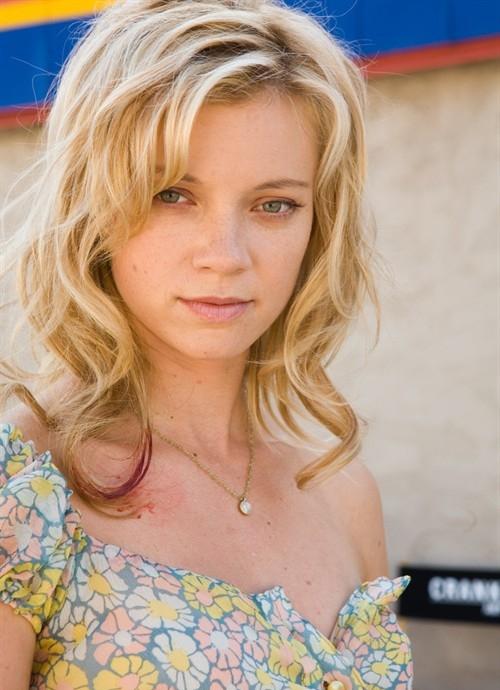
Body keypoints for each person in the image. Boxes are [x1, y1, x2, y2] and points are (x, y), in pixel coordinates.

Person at [0, 0, 413, 687]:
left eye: (274, 205)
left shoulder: (343, 493)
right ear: (94, 203)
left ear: (318, 225)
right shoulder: (24, 482)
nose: (225, 255)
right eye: (173, 194)